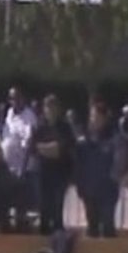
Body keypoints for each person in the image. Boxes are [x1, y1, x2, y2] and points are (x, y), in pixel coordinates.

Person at [76, 103, 124, 238]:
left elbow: (119, 163)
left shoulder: (114, 139)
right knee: (92, 227)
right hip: (89, 191)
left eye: (96, 117)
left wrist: (114, 178)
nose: (93, 120)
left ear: (104, 118)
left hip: (108, 192)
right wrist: (80, 185)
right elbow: (79, 165)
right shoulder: (84, 141)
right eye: (91, 117)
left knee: (108, 227)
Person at [31, 95, 75, 235]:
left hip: (60, 174)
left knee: (57, 208)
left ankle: (59, 241)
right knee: (43, 208)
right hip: (43, 174)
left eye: (53, 107)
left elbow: (62, 149)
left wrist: (45, 148)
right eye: (47, 107)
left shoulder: (65, 127)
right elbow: (33, 147)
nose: (50, 110)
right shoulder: (39, 126)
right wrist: (50, 148)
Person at [1, 87, 38, 232]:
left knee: (21, 203)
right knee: (7, 200)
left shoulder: (29, 117)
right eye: (11, 98)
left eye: (17, 98)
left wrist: (22, 168)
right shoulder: (9, 114)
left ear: (23, 98)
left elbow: (29, 142)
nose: (14, 101)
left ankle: (22, 229)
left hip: (23, 167)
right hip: (8, 165)